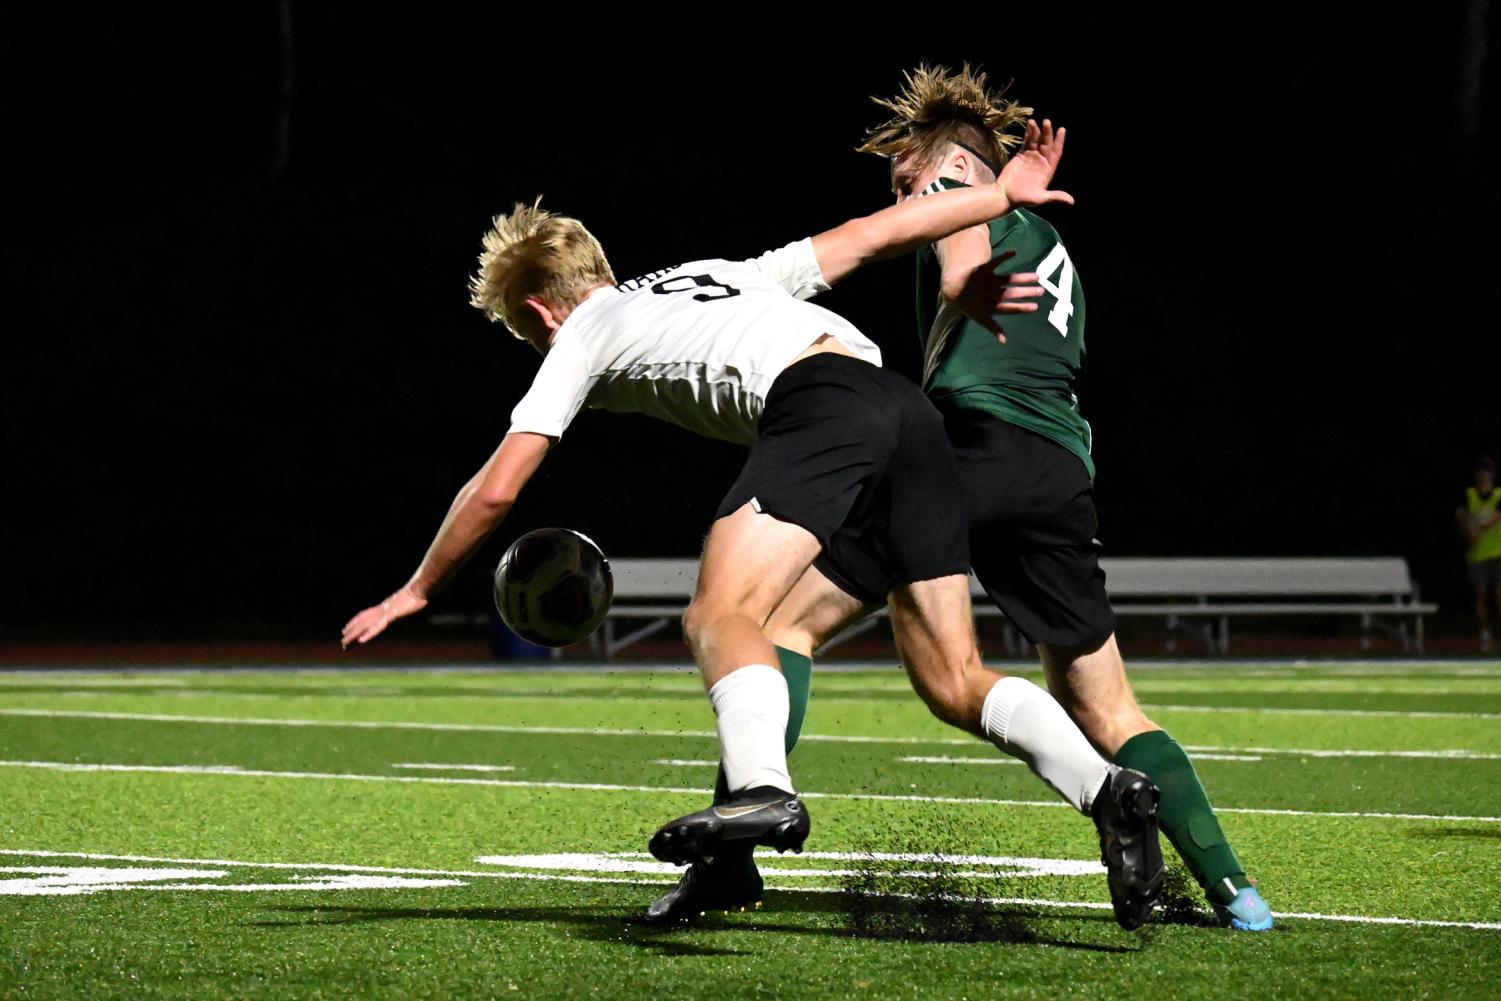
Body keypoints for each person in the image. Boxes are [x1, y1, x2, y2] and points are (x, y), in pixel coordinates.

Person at [343, 133, 1164, 932]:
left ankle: (762, 791)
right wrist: (996, 197)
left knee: (719, 617)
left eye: (526, 337)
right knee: (952, 675)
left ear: (538, 311)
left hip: (825, 405)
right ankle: (1109, 791)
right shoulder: (715, 274)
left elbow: (495, 490)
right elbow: (869, 236)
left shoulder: (581, 334)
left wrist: (416, 588)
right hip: (908, 416)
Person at [649, 65, 1268, 932]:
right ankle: (1237, 893)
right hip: (1056, 468)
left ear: (961, 170)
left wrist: (956, 273)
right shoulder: (1053, 246)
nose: (907, 197)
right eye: (900, 186)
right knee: (1105, 703)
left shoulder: (962, 196)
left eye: (913, 180)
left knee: (777, 622)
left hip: (966, 451)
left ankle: (728, 860)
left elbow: (958, 261)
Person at [1456, 455, 1501, 651]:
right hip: (1477, 555)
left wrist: (1475, 529)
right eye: (1482, 470)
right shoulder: (1468, 494)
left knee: (1500, 594)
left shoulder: (1499, 494)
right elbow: (1461, 515)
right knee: (1480, 595)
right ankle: (1484, 630)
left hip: (1498, 552)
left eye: (1488, 470)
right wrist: (1468, 528)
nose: (1485, 474)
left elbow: (1494, 519)